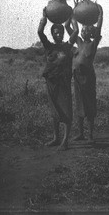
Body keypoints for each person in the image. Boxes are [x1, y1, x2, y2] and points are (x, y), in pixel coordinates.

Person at [38, 8, 78, 150]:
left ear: (62, 34)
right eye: (55, 33)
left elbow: (75, 32)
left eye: (60, 32)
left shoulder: (67, 47)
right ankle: (56, 138)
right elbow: (40, 32)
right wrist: (44, 18)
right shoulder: (49, 46)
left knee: (66, 110)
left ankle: (65, 141)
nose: (58, 34)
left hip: (63, 83)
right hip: (51, 82)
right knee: (54, 111)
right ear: (53, 34)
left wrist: (72, 17)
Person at [65, 4, 103, 143]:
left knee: (90, 106)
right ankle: (81, 133)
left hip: (88, 79)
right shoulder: (79, 42)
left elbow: (99, 29)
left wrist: (100, 16)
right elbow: (68, 27)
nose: (84, 31)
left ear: (91, 33)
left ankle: (91, 135)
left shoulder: (93, 44)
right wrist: (73, 12)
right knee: (79, 105)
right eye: (83, 29)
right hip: (77, 79)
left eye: (87, 29)